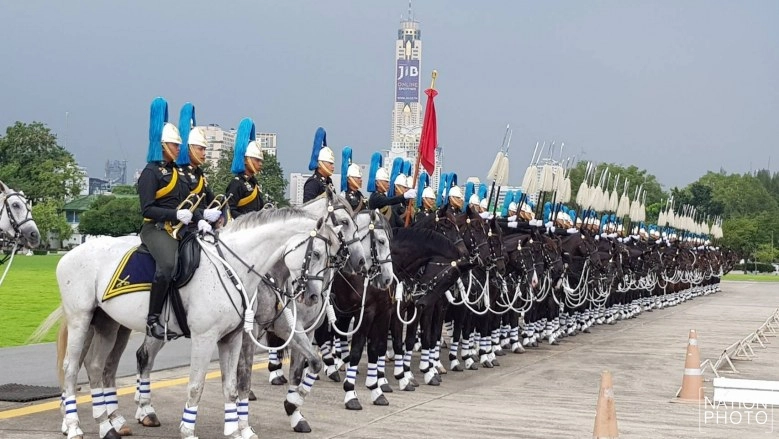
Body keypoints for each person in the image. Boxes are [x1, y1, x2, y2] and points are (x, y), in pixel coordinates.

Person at [138, 97, 207, 340]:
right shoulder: (150, 173)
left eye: (179, 145)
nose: (179, 149)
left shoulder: (177, 171)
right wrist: (175, 214)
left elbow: (190, 200)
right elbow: (147, 209)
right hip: (156, 229)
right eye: (175, 145)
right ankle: (152, 318)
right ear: (163, 145)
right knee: (168, 264)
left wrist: (200, 218)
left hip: (180, 228)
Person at [177, 103, 219, 231]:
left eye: (205, 149)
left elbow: (211, 198)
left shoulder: (199, 173)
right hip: (186, 226)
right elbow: (182, 204)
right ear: (189, 149)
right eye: (200, 149)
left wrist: (221, 213)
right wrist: (203, 214)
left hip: (202, 224)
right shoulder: (179, 173)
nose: (204, 153)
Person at [226, 118, 264, 219]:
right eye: (257, 160)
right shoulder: (237, 183)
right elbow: (229, 210)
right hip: (242, 226)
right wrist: (247, 221)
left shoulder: (254, 183)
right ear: (246, 160)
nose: (260, 164)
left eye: (261, 161)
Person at [303, 127, 335, 203]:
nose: (333, 166)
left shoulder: (328, 182)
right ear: (320, 164)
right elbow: (307, 206)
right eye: (330, 163)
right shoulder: (313, 182)